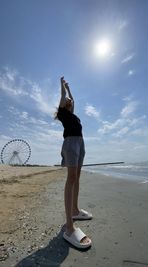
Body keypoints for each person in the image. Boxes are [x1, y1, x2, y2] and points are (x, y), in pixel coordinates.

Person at [56, 76, 92, 249]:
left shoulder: (73, 114)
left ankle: (75, 211)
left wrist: (70, 91)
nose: (69, 100)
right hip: (70, 143)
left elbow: (73, 99)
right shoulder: (63, 113)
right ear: (64, 105)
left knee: (77, 178)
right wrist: (62, 86)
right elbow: (63, 98)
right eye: (67, 100)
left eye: (70, 100)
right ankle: (69, 228)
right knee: (71, 179)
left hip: (80, 143)